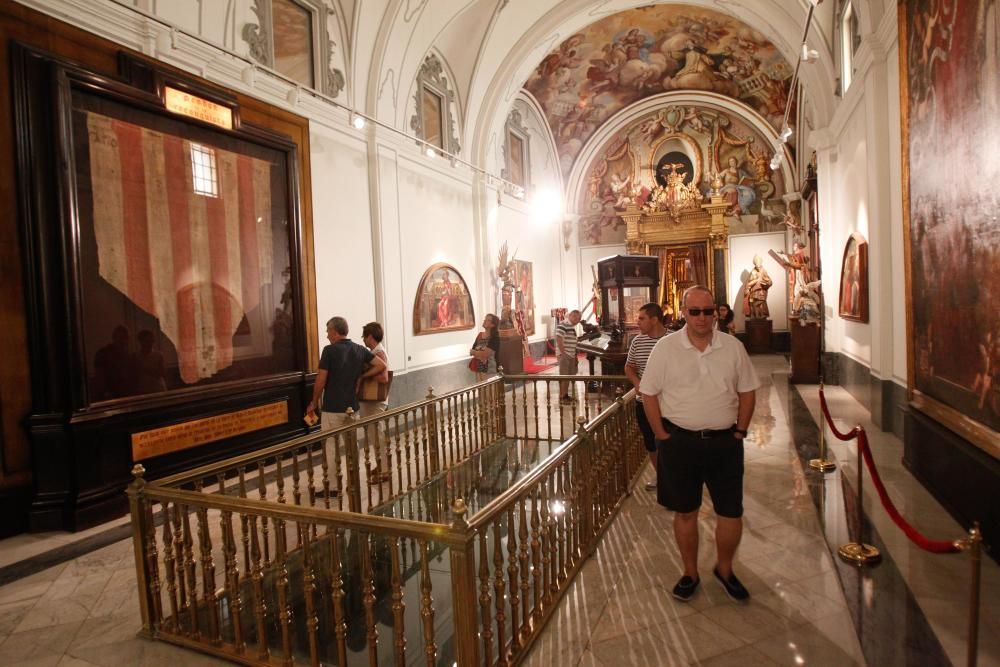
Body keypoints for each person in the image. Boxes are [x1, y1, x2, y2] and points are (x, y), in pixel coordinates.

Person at [640, 286, 759, 602]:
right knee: (685, 512)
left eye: (709, 311)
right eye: (695, 311)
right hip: (680, 444)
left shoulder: (732, 347)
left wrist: (741, 432)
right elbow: (648, 393)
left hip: (725, 444)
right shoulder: (665, 349)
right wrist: (661, 436)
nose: (703, 317)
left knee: (730, 512)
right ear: (683, 313)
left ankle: (725, 569)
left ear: (716, 312)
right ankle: (690, 572)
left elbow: (748, 391)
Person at [305, 317, 386, 494]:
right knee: (352, 446)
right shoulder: (358, 349)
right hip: (352, 407)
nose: (327, 335)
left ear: (335, 332)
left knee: (331, 447)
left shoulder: (329, 351)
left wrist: (314, 402)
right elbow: (381, 365)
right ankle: (354, 482)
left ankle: (333, 487)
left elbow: (321, 379)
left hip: (332, 408)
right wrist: (361, 376)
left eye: (328, 332)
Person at [624, 303, 667, 492]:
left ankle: (676, 475)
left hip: (669, 403)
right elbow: (629, 367)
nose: (637, 322)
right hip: (644, 403)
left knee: (670, 440)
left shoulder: (672, 339)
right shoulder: (637, 341)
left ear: (654, 319)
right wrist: (636, 383)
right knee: (651, 442)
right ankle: (662, 476)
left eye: (642, 318)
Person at [359, 322, 391, 483]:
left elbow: (383, 377)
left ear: (370, 337)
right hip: (372, 403)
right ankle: (381, 465)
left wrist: (364, 375)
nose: (363, 340)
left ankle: (385, 471)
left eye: (364, 337)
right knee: (374, 435)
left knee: (377, 435)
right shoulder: (376, 351)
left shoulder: (378, 353)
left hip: (375, 402)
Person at [556, 310, 582, 404]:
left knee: (569, 376)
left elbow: (573, 343)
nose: (578, 320)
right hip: (565, 355)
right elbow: (558, 338)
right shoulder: (564, 324)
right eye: (577, 318)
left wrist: (575, 357)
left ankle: (565, 395)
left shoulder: (571, 327)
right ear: (571, 316)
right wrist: (563, 353)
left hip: (570, 355)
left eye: (579, 318)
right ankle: (562, 397)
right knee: (564, 376)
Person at [470, 314, 501, 381]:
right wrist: (477, 353)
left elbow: (485, 354)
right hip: (478, 368)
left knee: (489, 390)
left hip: (490, 369)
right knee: (481, 390)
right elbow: (471, 351)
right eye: (485, 319)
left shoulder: (494, 338)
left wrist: (476, 353)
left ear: (493, 325)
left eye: (488, 320)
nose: (484, 321)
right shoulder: (480, 335)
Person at [743, 255, 772, 319]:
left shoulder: (763, 271)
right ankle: (756, 316)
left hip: (761, 291)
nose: (758, 267)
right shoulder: (753, 272)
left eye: (759, 265)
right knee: (753, 304)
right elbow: (749, 283)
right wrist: (748, 288)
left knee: (760, 304)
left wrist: (766, 283)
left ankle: (761, 315)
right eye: (756, 266)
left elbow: (769, 281)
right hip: (754, 291)